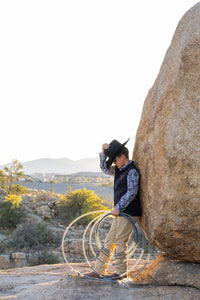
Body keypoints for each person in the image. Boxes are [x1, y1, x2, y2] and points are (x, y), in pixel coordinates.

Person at [85, 139, 142, 279]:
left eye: (115, 159)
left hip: (129, 212)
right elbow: (105, 169)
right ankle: (98, 270)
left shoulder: (132, 171)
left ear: (123, 157)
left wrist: (118, 207)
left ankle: (121, 272)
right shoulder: (119, 170)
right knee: (109, 240)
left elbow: (132, 192)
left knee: (119, 241)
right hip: (121, 212)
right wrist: (103, 153)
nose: (114, 163)